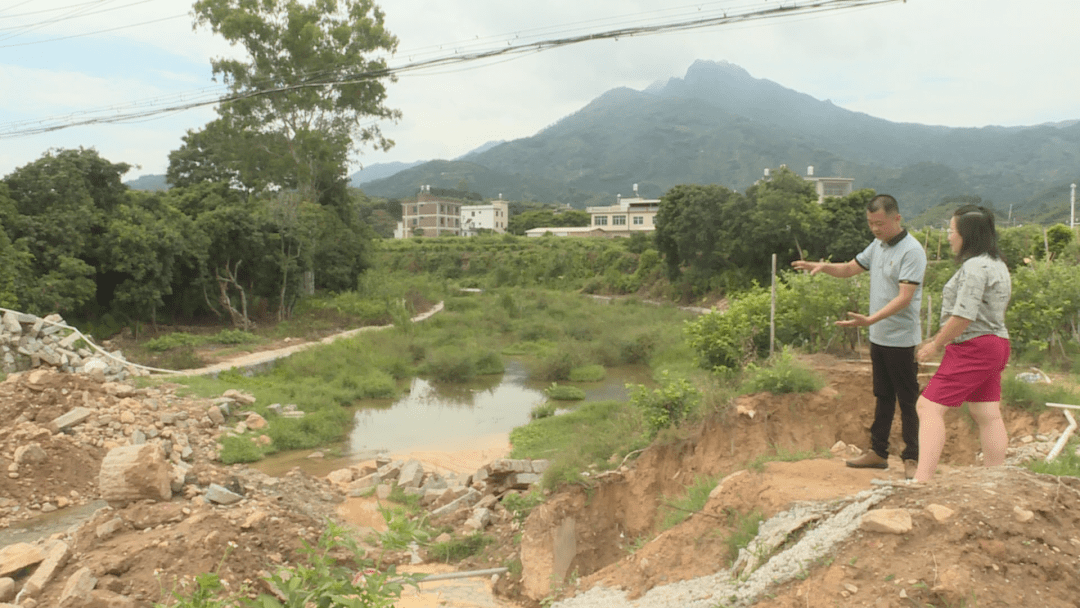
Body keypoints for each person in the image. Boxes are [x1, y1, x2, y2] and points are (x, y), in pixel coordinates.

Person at [792, 194, 926, 479]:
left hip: (901, 339)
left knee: (907, 399)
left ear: (896, 218)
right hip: (878, 336)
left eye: (879, 223)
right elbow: (851, 268)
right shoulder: (878, 245)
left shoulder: (912, 251)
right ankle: (878, 452)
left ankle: (913, 457)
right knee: (882, 395)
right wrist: (822, 267)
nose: (875, 229)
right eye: (870, 223)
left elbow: (905, 298)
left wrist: (870, 319)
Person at [913, 206, 1011, 483]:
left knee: (928, 407)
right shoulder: (998, 264)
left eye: (951, 231)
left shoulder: (974, 267)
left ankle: (922, 479)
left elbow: (963, 315)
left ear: (966, 236)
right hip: (997, 343)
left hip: (974, 346)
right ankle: (995, 478)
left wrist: (935, 343)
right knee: (986, 412)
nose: (948, 237)